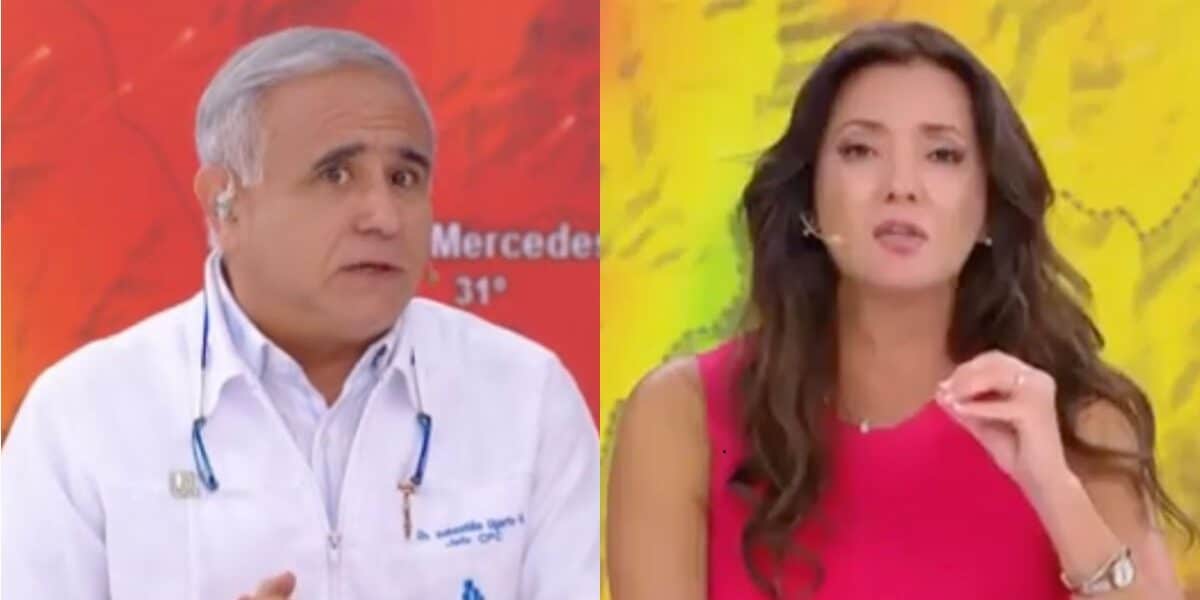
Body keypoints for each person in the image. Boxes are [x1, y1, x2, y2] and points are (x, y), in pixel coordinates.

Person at [2, 27, 599, 600]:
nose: (384, 216)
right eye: (335, 175)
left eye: (404, 178)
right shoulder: (84, 415)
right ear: (225, 203)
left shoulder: (526, 395)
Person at [607, 20, 1195, 600]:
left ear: (989, 206)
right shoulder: (681, 416)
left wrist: (1055, 490)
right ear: (809, 199)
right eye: (860, 150)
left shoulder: (1079, 425)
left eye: (942, 154)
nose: (901, 186)